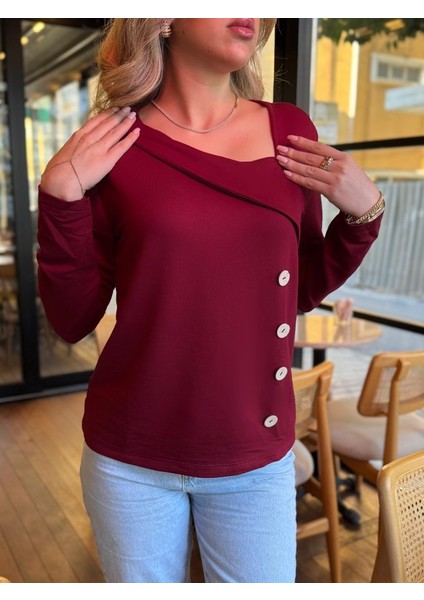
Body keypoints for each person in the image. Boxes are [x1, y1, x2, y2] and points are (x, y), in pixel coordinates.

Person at [37, 18, 385, 583]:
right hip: (130, 457)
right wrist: (60, 197)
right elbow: (73, 319)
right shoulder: (113, 141)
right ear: (163, 17)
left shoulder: (288, 129)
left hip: (254, 454)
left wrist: (363, 216)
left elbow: (300, 290)